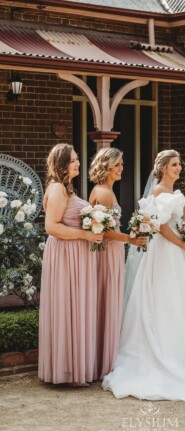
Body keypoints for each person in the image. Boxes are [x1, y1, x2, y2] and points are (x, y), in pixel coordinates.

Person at [102, 150, 185, 402]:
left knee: (179, 300)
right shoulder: (159, 191)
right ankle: (162, 354)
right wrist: (181, 244)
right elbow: (161, 226)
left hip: (176, 250)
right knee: (163, 299)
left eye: (179, 164)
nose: (179, 168)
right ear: (163, 168)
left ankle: (182, 355)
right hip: (165, 251)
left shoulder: (174, 193)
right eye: (174, 164)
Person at [38, 143, 103, 387]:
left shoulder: (66, 188)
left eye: (77, 159)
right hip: (66, 255)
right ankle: (66, 370)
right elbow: (52, 227)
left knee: (76, 306)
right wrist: (85, 235)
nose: (78, 163)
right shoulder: (56, 188)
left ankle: (75, 367)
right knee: (67, 306)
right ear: (62, 163)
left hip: (76, 254)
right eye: (74, 160)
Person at [89, 147, 146, 379]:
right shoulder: (103, 193)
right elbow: (106, 231)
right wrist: (131, 239)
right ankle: (103, 360)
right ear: (107, 166)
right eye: (118, 165)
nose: (122, 169)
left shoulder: (106, 191)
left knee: (109, 299)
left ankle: (104, 356)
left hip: (112, 251)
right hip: (107, 252)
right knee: (107, 299)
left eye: (122, 165)